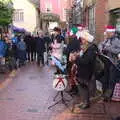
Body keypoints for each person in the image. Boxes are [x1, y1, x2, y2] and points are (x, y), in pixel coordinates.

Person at [75, 30, 98, 109]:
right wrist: (78, 55)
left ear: (87, 41)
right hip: (83, 71)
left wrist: (76, 58)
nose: (81, 40)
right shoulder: (85, 48)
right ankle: (84, 101)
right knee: (82, 87)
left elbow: (85, 61)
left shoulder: (91, 49)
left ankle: (86, 103)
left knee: (84, 88)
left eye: (83, 39)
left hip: (87, 72)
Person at [98, 25, 120, 101]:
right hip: (107, 62)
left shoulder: (117, 40)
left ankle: (109, 96)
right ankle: (104, 93)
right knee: (106, 78)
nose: (107, 34)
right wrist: (101, 48)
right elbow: (100, 44)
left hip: (114, 64)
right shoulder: (107, 39)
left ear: (112, 32)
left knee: (111, 80)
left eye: (108, 33)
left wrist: (109, 48)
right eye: (107, 32)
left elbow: (118, 50)